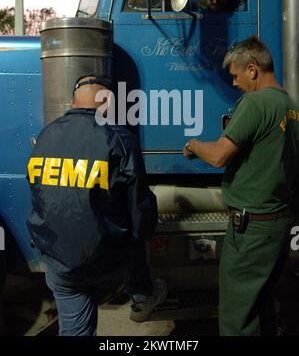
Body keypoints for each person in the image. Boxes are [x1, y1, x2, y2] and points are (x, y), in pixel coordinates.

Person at [27, 74, 167, 336]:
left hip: (57, 256)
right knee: (137, 225)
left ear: (72, 103)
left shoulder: (45, 135)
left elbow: (37, 191)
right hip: (103, 258)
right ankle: (141, 294)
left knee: (75, 329)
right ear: (109, 106)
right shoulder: (121, 140)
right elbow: (139, 206)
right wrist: (145, 233)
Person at [183, 36, 299, 336]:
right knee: (260, 309)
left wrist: (195, 145)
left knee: (237, 319)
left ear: (252, 69)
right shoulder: (290, 105)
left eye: (235, 76)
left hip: (251, 230)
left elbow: (220, 155)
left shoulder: (256, 102)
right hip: (277, 224)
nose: (234, 84)